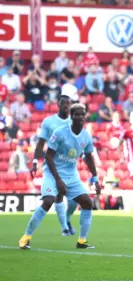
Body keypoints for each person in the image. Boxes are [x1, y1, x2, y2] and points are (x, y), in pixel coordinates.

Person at [19, 103, 100, 250]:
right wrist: (58, 180)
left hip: (71, 175)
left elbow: (88, 158)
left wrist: (95, 179)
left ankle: (82, 241)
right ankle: (26, 237)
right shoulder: (60, 132)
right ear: (71, 116)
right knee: (49, 200)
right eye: (77, 114)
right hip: (52, 172)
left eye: (83, 114)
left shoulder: (86, 136)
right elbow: (49, 156)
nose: (81, 117)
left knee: (87, 202)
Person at [30, 95, 77, 236]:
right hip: (53, 164)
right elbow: (41, 143)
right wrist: (35, 161)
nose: (66, 106)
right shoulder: (49, 122)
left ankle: (67, 220)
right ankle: (65, 228)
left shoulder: (74, 122)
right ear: (58, 104)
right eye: (63, 103)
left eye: (68, 103)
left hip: (69, 165)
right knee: (58, 197)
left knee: (75, 199)